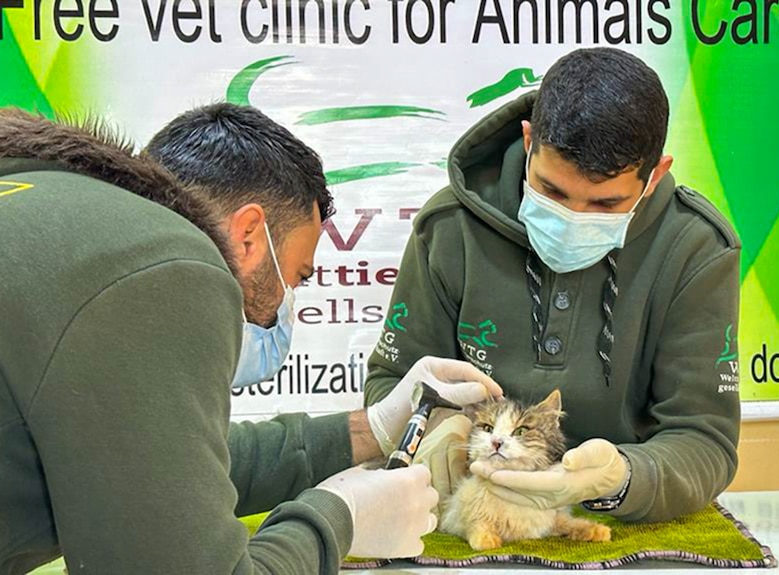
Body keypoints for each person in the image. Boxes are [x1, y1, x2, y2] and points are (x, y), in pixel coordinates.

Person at [0, 106, 501, 575]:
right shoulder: (157, 262)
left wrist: (372, 427)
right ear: (247, 235)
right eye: (297, 277)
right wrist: (341, 520)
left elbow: (167, 472)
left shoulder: (54, 212)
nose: (286, 304)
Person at [364, 47, 742, 523]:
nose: (573, 219)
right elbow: (390, 384)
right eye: (552, 191)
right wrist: (438, 432)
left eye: (605, 205)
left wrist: (622, 478)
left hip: (617, 525)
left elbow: (706, 440)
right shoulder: (449, 228)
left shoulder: (697, 249)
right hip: (472, 512)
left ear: (656, 175)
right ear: (528, 142)